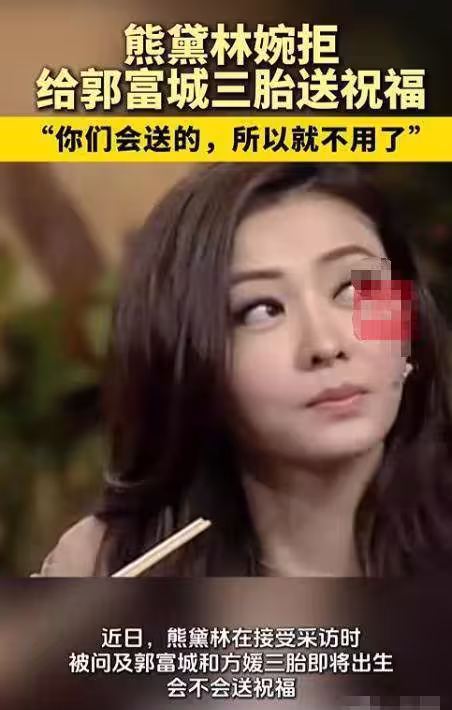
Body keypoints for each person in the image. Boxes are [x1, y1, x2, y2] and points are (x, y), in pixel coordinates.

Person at [38, 162, 452, 578]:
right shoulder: (106, 563)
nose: (325, 346)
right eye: (262, 310)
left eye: (353, 288)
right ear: (191, 355)